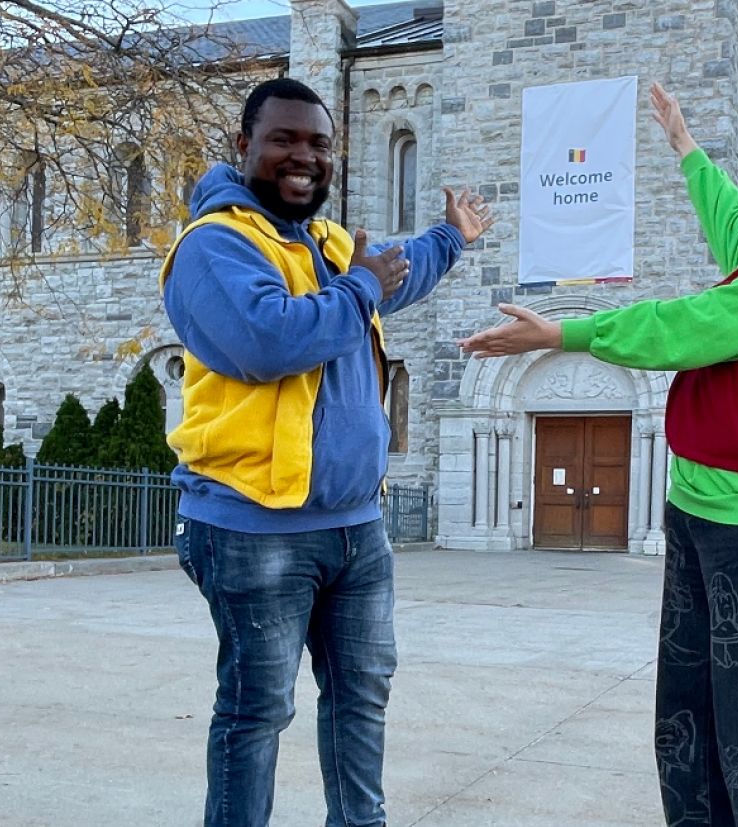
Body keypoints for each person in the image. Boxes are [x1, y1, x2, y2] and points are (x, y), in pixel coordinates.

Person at [459, 82, 738, 827]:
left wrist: (565, 335)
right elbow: (728, 222)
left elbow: (691, 325)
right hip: (699, 507)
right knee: (690, 717)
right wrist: (685, 146)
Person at [161, 77, 492, 827]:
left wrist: (451, 239)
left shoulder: (327, 243)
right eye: (283, 139)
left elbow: (393, 276)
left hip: (356, 527)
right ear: (244, 147)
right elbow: (268, 340)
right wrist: (361, 288)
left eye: (319, 143)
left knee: (362, 696)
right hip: (253, 528)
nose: (303, 156)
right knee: (256, 711)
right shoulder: (214, 247)